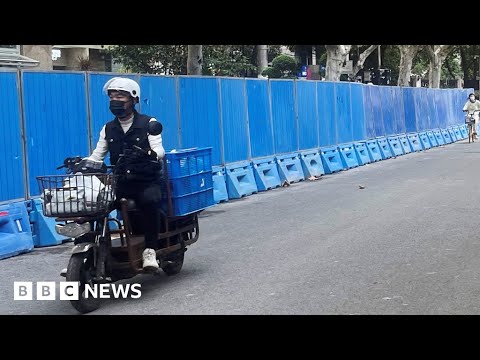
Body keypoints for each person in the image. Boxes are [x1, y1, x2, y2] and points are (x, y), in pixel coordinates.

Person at [87, 77, 165, 271]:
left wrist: (148, 153)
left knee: (149, 201)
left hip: (146, 181)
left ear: (134, 100)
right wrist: (84, 163)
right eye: (112, 96)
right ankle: (90, 252)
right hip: (120, 183)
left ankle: (150, 251)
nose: (116, 100)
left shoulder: (149, 123)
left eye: (121, 96)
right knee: (92, 204)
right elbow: (97, 155)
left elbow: (160, 150)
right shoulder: (108, 128)